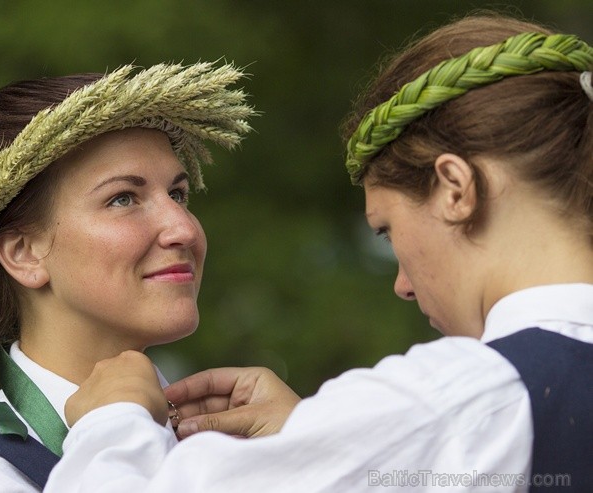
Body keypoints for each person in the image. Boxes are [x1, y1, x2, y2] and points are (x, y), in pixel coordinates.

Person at [43, 13, 593, 492]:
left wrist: (112, 420)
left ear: (455, 188)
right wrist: (313, 437)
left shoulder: (461, 400)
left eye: (387, 230)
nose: (402, 283)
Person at [0, 62, 255, 491]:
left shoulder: (230, 439)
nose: (185, 229)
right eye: (122, 198)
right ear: (24, 254)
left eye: (178, 194)